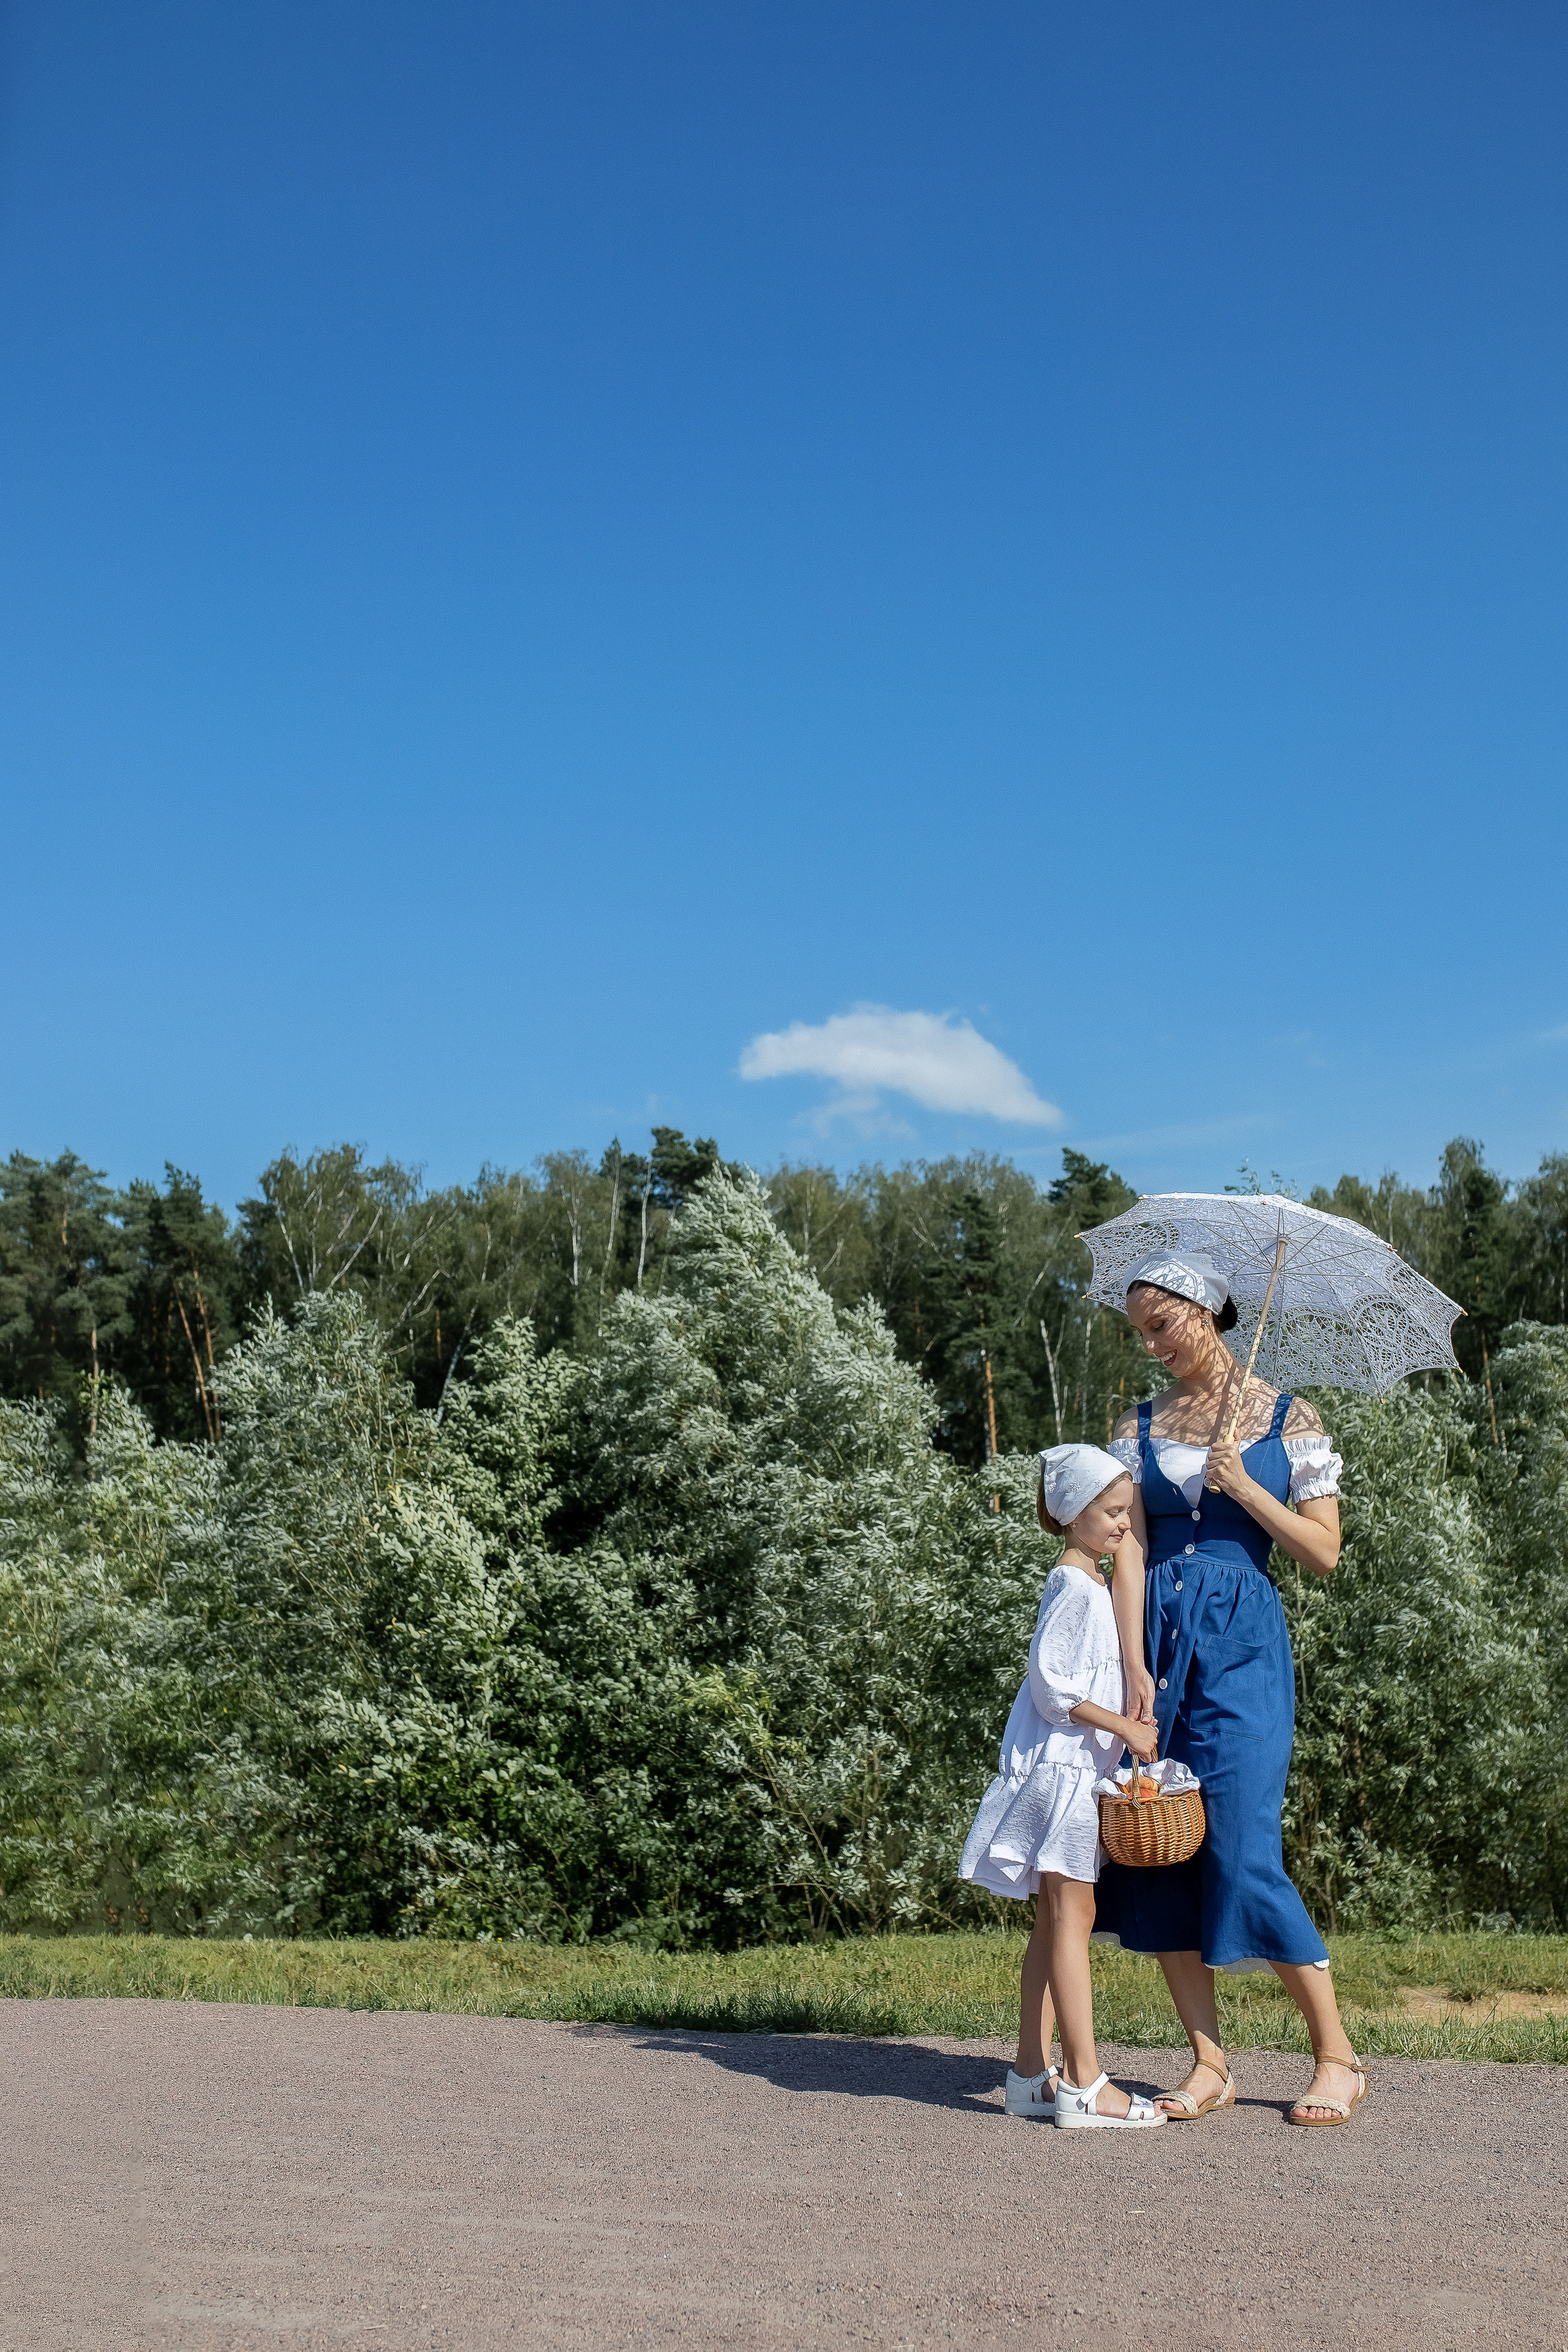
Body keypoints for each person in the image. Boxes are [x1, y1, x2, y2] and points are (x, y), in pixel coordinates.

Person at [1095, 1250, 1368, 2127]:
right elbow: (1127, 1549)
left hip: (1243, 1645)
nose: (1152, 1345)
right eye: (1140, 1332)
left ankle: (1337, 2057)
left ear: (1205, 1310)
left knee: (1245, 1845)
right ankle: (1210, 2063)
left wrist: (1247, 1486)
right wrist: (1131, 1664)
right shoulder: (1137, 1425)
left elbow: (1322, 1554)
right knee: (1157, 1845)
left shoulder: (1290, 1418)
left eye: (1161, 1325)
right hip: (1157, 1644)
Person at [960, 1442, 1166, 2130]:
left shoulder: (1088, 1581)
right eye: (1110, 1513)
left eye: (1124, 1511)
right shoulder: (1075, 1587)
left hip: (1064, 1769)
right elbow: (1052, 1687)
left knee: (1053, 1925)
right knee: (1072, 1924)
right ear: (1072, 1513)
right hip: (1066, 1774)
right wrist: (1127, 1730)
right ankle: (1084, 2082)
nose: (1122, 1524)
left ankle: (1027, 2072)